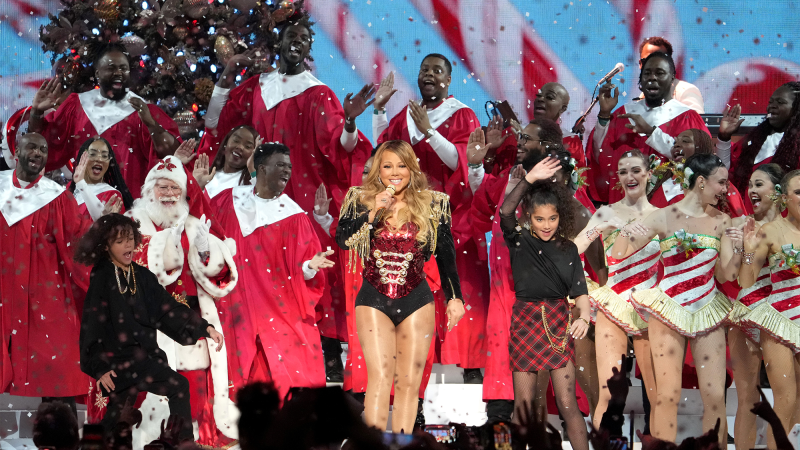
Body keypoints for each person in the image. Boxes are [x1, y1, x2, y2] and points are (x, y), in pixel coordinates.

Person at [200, 15, 373, 362]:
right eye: (291, 37)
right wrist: (225, 77)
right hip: (256, 192)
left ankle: (324, 349)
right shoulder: (255, 87)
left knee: (311, 263)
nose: (297, 43)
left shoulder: (319, 93)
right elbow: (216, 124)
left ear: (309, 49)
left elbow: (340, 148)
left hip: (303, 195)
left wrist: (351, 122)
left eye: (305, 39)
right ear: (279, 44)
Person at [335, 140, 466, 433]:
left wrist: (455, 297)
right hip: (373, 298)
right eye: (388, 166)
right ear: (378, 169)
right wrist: (372, 214)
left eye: (401, 165)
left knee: (408, 381)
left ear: (412, 167)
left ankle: (403, 443)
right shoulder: (360, 198)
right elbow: (342, 239)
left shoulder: (434, 203)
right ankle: (373, 442)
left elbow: (446, 255)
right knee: (380, 376)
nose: (395, 172)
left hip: (417, 299)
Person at [610, 153, 739, 446]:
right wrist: (625, 232)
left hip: (708, 308)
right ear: (701, 182)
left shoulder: (722, 220)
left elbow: (726, 274)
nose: (725, 190)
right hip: (668, 309)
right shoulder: (662, 216)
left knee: (716, 396)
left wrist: (743, 250)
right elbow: (618, 254)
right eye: (721, 183)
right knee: (666, 396)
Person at [372, 58, 486, 381]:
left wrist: (429, 132)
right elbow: (384, 150)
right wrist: (379, 111)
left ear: (449, 80)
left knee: (459, 281)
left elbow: (460, 161)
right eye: (424, 70)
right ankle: (418, 357)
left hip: (452, 215)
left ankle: (469, 362)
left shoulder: (461, 114)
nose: (429, 75)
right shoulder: (408, 116)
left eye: (437, 71)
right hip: (409, 217)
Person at [114, 153, 237, 446]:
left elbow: (220, 278)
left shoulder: (195, 224)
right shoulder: (131, 223)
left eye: (175, 188)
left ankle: (187, 440)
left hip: (191, 323)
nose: (169, 195)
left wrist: (207, 252)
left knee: (191, 392)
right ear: (148, 191)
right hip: (145, 324)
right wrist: (162, 244)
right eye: (162, 187)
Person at [76, 213, 224, 442]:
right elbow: (92, 325)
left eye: (130, 239)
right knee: (116, 417)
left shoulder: (142, 276)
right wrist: (99, 367)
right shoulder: (102, 277)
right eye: (119, 241)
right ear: (106, 246)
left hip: (144, 358)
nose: (128, 245)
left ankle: (182, 443)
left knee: (178, 386)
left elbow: (167, 309)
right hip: (116, 362)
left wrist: (204, 328)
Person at [211, 142, 336, 399]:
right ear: (260, 167)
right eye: (280, 165)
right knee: (237, 364)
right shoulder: (228, 200)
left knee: (289, 362)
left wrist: (310, 267)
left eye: (289, 167)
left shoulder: (293, 215)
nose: (287, 171)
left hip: (279, 304)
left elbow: (301, 267)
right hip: (235, 301)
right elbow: (205, 237)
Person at [499, 156, 591, 450]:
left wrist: (584, 318)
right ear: (529, 218)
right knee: (522, 407)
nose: (547, 225)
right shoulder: (518, 240)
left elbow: (581, 293)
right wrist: (528, 180)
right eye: (539, 219)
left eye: (552, 218)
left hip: (558, 326)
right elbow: (505, 210)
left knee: (567, 404)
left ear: (560, 217)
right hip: (525, 323)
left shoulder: (569, 249)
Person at [0, 132, 93, 412]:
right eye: (32, 146)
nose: (38, 153)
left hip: (43, 292)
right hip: (4, 287)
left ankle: (56, 432)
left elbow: (77, 242)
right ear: (17, 151)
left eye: (43, 149)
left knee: (59, 360)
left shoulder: (56, 197)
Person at [573, 150, 660, 430]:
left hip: (651, 306)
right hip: (614, 303)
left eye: (636, 170)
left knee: (658, 395)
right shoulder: (607, 212)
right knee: (607, 393)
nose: (629, 176)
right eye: (623, 171)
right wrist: (594, 229)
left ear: (648, 174)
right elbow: (574, 249)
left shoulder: (664, 216)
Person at [28, 43, 180, 197]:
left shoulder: (143, 110)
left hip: (128, 208)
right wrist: (36, 112)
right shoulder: (77, 106)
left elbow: (174, 158)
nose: (118, 73)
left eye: (123, 68)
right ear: (98, 73)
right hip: (83, 205)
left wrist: (152, 125)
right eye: (111, 68)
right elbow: (46, 147)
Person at [587, 51, 710, 204]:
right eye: (647, 73)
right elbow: (602, 158)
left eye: (660, 73)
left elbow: (700, 163)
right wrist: (604, 116)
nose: (652, 77)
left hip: (669, 209)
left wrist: (651, 133)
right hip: (625, 209)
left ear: (672, 78)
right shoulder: (624, 114)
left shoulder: (687, 117)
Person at [739, 168, 800, 449]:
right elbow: (746, 279)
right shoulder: (771, 231)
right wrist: (749, 250)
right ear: (784, 197)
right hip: (780, 321)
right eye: (798, 192)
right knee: (785, 399)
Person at [725, 164, 784, 450]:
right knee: (747, 395)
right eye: (750, 185)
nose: (751, 191)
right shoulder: (738, 225)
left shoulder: (791, 228)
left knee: (790, 395)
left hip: (785, 319)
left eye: (759, 184)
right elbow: (732, 276)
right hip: (747, 315)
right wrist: (742, 249)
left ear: (778, 191)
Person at [717, 82, 800, 208]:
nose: (772, 106)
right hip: (744, 217)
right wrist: (724, 137)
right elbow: (725, 173)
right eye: (770, 102)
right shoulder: (754, 139)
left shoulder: (797, 146)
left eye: (780, 102)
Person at [649, 128, 748, 216]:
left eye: (685, 141)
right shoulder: (662, 181)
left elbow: (737, 224)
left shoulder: (722, 186)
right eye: (675, 143)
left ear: (701, 147)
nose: (677, 145)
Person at [638, 37, 704, 113]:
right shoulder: (642, 98)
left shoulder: (685, 92)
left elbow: (696, 123)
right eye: (646, 61)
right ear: (640, 64)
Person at [193, 125, 259, 199]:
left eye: (247, 146)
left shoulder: (252, 182)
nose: (240, 147)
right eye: (236, 141)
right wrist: (197, 186)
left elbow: (262, 197)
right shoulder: (206, 175)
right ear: (226, 143)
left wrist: (252, 168)